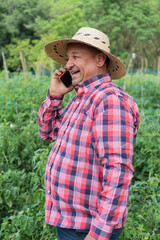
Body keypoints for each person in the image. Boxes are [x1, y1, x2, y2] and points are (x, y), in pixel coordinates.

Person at [38, 27, 140, 240]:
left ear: (100, 59)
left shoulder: (109, 101)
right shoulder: (82, 98)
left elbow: (118, 172)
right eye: (67, 58)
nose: (67, 65)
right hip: (72, 222)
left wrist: (97, 235)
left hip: (89, 229)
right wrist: (55, 96)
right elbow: (47, 132)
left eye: (75, 57)